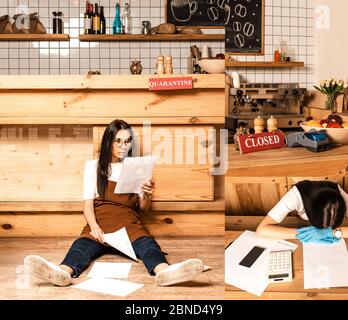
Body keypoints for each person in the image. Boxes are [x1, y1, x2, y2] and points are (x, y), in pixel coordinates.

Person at [24, 119, 204, 287]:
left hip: (129, 224)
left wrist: (146, 195)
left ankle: (165, 273)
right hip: (100, 223)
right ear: (108, 141)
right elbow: (87, 204)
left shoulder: (138, 167)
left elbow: (143, 209)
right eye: (118, 141)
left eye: (127, 141)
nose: (123, 146)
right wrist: (94, 227)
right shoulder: (93, 166)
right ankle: (62, 273)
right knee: (80, 248)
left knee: (148, 246)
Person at [256, 180, 348, 244]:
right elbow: (261, 230)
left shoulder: (342, 196)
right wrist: (303, 235)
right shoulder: (295, 196)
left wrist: (332, 233)